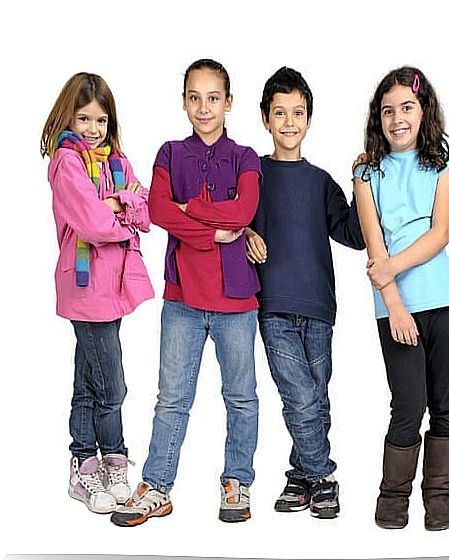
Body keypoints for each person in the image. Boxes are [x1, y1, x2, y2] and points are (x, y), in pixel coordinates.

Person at [111, 58, 262, 527]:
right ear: (183, 101)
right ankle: (157, 486)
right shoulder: (170, 153)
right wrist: (211, 233)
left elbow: (245, 211)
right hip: (181, 297)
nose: (203, 107)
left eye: (213, 97)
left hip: (236, 299)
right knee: (172, 398)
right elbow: (157, 210)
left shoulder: (246, 157)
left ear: (228, 102)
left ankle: (237, 480)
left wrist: (191, 209)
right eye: (194, 97)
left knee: (241, 397)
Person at [245, 66, 365, 519]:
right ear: (265, 118)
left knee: (316, 396)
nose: (289, 122)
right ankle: (324, 476)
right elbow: (231, 217)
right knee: (298, 395)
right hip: (273, 303)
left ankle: (299, 476)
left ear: (309, 120)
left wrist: (360, 181)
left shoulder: (321, 181)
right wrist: (242, 235)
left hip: (319, 305)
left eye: (298, 113)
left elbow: (353, 234)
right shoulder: (251, 172)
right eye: (280, 113)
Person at [353, 66, 449, 531]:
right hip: (394, 306)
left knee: (446, 402)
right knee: (408, 403)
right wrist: (394, 304)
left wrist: (391, 267)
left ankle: (439, 493)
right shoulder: (365, 171)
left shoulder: (441, 167)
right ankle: (392, 494)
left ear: (424, 112)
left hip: (444, 301)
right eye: (387, 111)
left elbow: (440, 234)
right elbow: (374, 239)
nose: (397, 119)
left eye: (407, 108)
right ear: (377, 119)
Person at [41, 72, 154, 514]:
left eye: (101, 120)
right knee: (113, 385)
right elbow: (92, 224)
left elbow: (146, 211)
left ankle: (82, 466)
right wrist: (115, 207)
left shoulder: (117, 161)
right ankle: (113, 458)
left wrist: (118, 202)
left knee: (88, 378)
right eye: (84, 118)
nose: (92, 129)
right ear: (68, 117)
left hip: (115, 283)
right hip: (86, 286)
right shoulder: (66, 163)